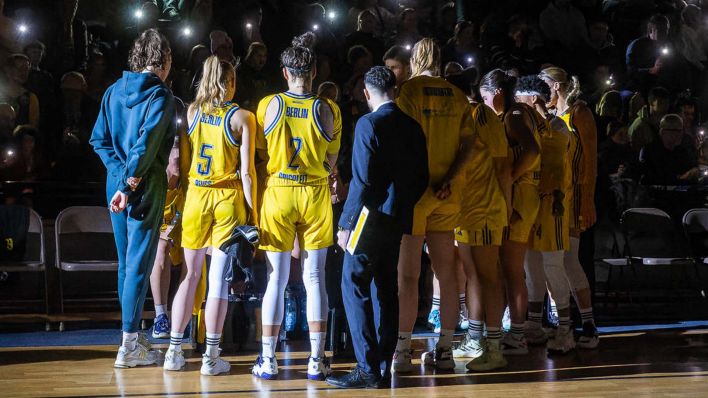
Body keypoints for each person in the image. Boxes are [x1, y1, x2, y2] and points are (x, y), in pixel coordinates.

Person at [325, 66, 428, 389]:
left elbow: (363, 180)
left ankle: (367, 367)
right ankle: (383, 364)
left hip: (368, 218)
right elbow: (421, 177)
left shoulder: (369, 124)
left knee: (353, 285)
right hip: (397, 217)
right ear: (394, 89)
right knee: (386, 288)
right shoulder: (412, 125)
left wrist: (346, 223)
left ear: (367, 93)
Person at [252, 32, 341, 381]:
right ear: (315, 71)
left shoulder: (267, 105)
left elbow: (262, 152)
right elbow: (333, 161)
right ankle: (317, 360)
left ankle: (267, 359)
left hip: (279, 191)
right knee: (314, 278)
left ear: (285, 72)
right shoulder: (329, 108)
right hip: (315, 191)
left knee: (276, 279)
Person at [163, 55, 256, 376]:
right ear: (230, 83)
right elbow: (246, 173)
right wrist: (253, 213)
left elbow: (183, 160)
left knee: (189, 276)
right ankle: (211, 356)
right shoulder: (243, 117)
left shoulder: (192, 111)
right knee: (218, 282)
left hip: (196, 198)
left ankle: (174, 351)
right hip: (227, 200)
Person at [89, 28, 176, 368]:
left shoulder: (112, 91)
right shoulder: (161, 96)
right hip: (142, 187)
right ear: (164, 61)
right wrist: (129, 184)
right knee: (139, 264)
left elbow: (99, 140)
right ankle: (129, 346)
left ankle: (132, 334)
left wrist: (117, 176)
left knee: (126, 264)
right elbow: (147, 145)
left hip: (116, 186)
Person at [393, 38, 476, 372]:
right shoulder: (457, 95)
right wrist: (449, 179)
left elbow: (404, 143)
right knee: (447, 272)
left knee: (408, 275)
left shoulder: (409, 93)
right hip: (447, 193)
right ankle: (444, 349)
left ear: (414, 59)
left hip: (416, 195)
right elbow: (469, 143)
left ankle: (401, 351)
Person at [479, 69, 541, 355]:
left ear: (498, 93)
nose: (484, 102)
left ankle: (517, 335)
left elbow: (531, 151)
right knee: (510, 269)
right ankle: (513, 330)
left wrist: (512, 176)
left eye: (485, 96)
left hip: (521, 195)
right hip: (521, 195)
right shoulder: (516, 113)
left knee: (513, 270)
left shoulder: (514, 116)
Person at [540, 66, 599, 349]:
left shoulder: (579, 113)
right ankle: (568, 323)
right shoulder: (551, 116)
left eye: (544, 86)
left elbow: (590, 162)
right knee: (556, 262)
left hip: (575, 197)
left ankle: (588, 325)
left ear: (555, 86)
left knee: (569, 261)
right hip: (556, 198)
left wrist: (587, 200)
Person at [515, 75, 575, 354]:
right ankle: (534, 325)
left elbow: (550, 158)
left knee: (553, 267)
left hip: (553, 206)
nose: (516, 104)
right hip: (531, 206)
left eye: (520, 99)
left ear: (534, 100)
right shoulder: (527, 125)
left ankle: (566, 330)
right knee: (531, 268)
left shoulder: (557, 127)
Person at [452, 100, 511, 371]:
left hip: (485, 208)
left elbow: (502, 166)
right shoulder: (453, 113)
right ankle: (475, 338)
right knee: (472, 274)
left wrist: (506, 207)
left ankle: (496, 348)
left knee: (489, 276)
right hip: (463, 210)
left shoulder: (482, 114)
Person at [149, 99, 187, 340]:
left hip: (188, 210)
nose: (178, 161)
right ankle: (160, 316)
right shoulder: (154, 174)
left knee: (196, 251)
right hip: (160, 215)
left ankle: (184, 314)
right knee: (161, 247)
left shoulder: (188, 140)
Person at [640, 114, 699, 185]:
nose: (680, 134)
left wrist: (694, 171)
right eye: (676, 130)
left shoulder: (685, 147)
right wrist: (679, 178)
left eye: (681, 130)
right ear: (663, 132)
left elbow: (693, 164)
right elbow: (651, 177)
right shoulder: (650, 151)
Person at [628, 87, 670, 152]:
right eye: (661, 102)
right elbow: (634, 151)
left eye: (666, 102)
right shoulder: (639, 125)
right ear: (651, 103)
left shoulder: (666, 122)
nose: (665, 106)